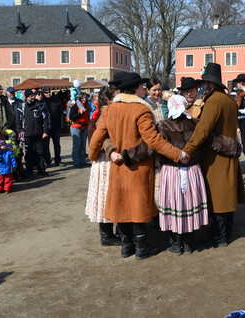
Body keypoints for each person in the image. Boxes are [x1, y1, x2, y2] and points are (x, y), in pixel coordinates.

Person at [88, 72, 185, 260]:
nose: (143, 89)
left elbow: (98, 138)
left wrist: (94, 155)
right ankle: (141, 247)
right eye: (141, 86)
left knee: (122, 206)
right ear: (135, 88)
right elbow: (154, 141)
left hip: (117, 165)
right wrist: (178, 154)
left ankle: (126, 246)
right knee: (138, 206)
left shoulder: (109, 110)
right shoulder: (141, 110)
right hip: (138, 166)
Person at [182, 62, 245, 248]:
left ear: (211, 84)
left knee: (217, 199)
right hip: (228, 152)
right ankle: (225, 234)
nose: (202, 86)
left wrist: (188, 149)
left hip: (214, 156)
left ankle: (220, 237)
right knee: (226, 197)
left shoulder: (213, 101)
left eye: (204, 83)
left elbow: (203, 129)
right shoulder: (227, 100)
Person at [155, 95, 211, 254]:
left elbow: (150, 146)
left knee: (174, 204)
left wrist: (128, 155)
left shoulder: (163, 125)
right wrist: (232, 147)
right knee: (189, 203)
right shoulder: (196, 123)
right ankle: (188, 243)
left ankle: (175, 243)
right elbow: (213, 141)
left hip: (171, 172)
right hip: (192, 171)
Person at [85, 87, 121, 247]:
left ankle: (115, 230)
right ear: (108, 100)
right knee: (106, 196)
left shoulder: (104, 114)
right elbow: (98, 140)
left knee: (109, 195)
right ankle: (106, 234)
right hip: (105, 160)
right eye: (116, 97)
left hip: (105, 159)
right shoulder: (103, 116)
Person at [22, 90, 51, 176]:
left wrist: (45, 131)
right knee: (29, 153)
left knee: (40, 152)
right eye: (31, 96)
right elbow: (18, 120)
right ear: (27, 97)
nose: (33, 97)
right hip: (27, 133)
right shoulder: (23, 106)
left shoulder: (40, 105)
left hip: (38, 133)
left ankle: (41, 170)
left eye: (33, 95)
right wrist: (20, 132)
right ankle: (29, 171)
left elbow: (45, 119)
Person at [42, 87, 63, 166]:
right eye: (46, 92)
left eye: (49, 92)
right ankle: (47, 161)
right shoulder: (42, 101)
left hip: (55, 125)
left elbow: (60, 112)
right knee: (46, 145)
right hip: (46, 126)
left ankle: (58, 160)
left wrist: (61, 124)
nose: (49, 94)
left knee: (57, 144)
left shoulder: (55, 99)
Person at [69, 92, 90, 168]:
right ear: (80, 98)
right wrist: (80, 114)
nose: (84, 99)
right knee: (77, 145)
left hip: (84, 127)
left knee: (83, 145)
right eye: (83, 98)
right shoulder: (75, 106)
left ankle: (82, 161)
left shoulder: (86, 106)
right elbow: (71, 117)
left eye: (85, 98)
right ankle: (76, 162)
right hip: (76, 126)